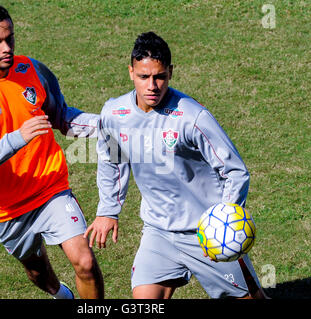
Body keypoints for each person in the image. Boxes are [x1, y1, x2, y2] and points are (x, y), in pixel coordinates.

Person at [84, 31, 267, 299]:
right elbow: (112, 160)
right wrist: (108, 210)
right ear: (131, 72)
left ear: (170, 72)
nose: (152, 86)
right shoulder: (114, 114)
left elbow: (234, 171)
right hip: (158, 232)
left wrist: (222, 226)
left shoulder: (192, 116)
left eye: (160, 76)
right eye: (144, 77)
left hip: (204, 232)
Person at [0, 3, 104, 299]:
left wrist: (109, 124)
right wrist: (18, 138)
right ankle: (61, 294)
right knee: (36, 269)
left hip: (50, 187)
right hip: (5, 208)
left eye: (10, 39)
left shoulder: (31, 69)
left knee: (84, 261)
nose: (6, 48)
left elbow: (63, 118)